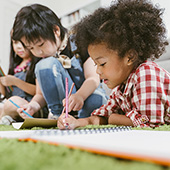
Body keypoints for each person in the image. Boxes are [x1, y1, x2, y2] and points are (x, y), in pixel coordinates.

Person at [57, 0, 170, 129]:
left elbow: (149, 123)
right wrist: (76, 122)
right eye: (96, 65)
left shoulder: (146, 73)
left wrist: (113, 118)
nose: (98, 71)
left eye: (102, 64)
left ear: (130, 57)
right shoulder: (119, 89)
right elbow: (100, 118)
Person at [10, 4, 107, 120]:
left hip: (88, 93)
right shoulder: (42, 57)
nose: (38, 52)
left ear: (56, 31)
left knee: (94, 103)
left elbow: (93, 78)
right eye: (31, 48)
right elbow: (40, 94)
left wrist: (79, 96)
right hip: (62, 107)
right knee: (45, 65)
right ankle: (57, 115)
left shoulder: (79, 42)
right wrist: (33, 106)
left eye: (40, 44)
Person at [0, 33, 48, 124]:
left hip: (32, 106)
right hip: (14, 105)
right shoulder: (16, 66)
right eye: (15, 43)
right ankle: (8, 118)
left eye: (21, 43)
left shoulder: (37, 65)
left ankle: (5, 118)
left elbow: (39, 92)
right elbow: (6, 93)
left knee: (11, 102)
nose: (18, 47)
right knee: (7, 104)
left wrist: (16, 82)